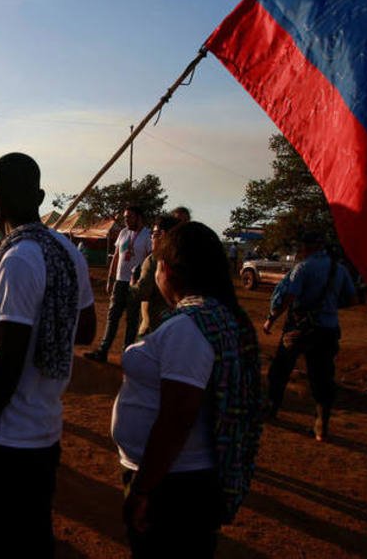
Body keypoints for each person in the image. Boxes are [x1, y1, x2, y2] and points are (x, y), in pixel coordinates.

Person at [0, 152, 96, 559]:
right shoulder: (67, 253)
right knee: (33, 538)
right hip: (45, 430)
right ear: (42, 195)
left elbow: (8, 358)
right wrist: (52, 320)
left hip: (6, 438)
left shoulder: (18, 258)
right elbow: (86, 331)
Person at [111, 222, 263, 557]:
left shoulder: (187, 328)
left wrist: (143, 489)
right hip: (187, 480)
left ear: (166, 270)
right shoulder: (219, 317)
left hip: (173, 486)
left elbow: (176, 419)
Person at [263, 231, 356, 441]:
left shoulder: (303, 268)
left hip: (299, 329)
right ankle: (321, 427)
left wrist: (271, 319)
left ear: (308, 247)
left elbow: (289, 297)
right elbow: (352, 299)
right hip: (328, 330)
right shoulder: (339, 269)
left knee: (280, 370)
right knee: (322, 378)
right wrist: (328, 307)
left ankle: (271, 410)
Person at [84, 205, 150, 362]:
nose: (126, 220)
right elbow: (116, 257)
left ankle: (127, 355)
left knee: (132, 320)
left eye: (130, 217)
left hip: (135, 284)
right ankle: (103, 351)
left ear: (139, 218)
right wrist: (110, 278)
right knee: (112, 317)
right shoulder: (123, 232)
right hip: (120, 281)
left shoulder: (147, 236)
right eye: (125, 217)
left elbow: (149, 259)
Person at [129, 215, 181, 337]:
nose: (151, 237)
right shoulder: (184, 259)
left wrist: (132, 282)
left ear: (162, 234)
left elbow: (142, 292)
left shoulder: (154, 259)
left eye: (154, 233)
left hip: (153, 327)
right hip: (178, 328)